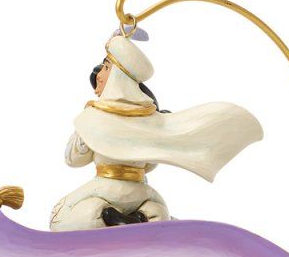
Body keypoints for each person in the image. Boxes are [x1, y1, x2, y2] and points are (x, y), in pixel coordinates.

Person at [49, 32, 263, 231]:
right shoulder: (149, 118)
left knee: (62, 217)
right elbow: (150, 165)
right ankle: (140, 218)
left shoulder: (94, 116)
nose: (100, 75)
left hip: (104, 187)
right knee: (158, 211)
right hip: (141, 192)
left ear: (116, 74)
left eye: (106, 68)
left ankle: (109, 218)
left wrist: (86, 134)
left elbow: (73, 160)